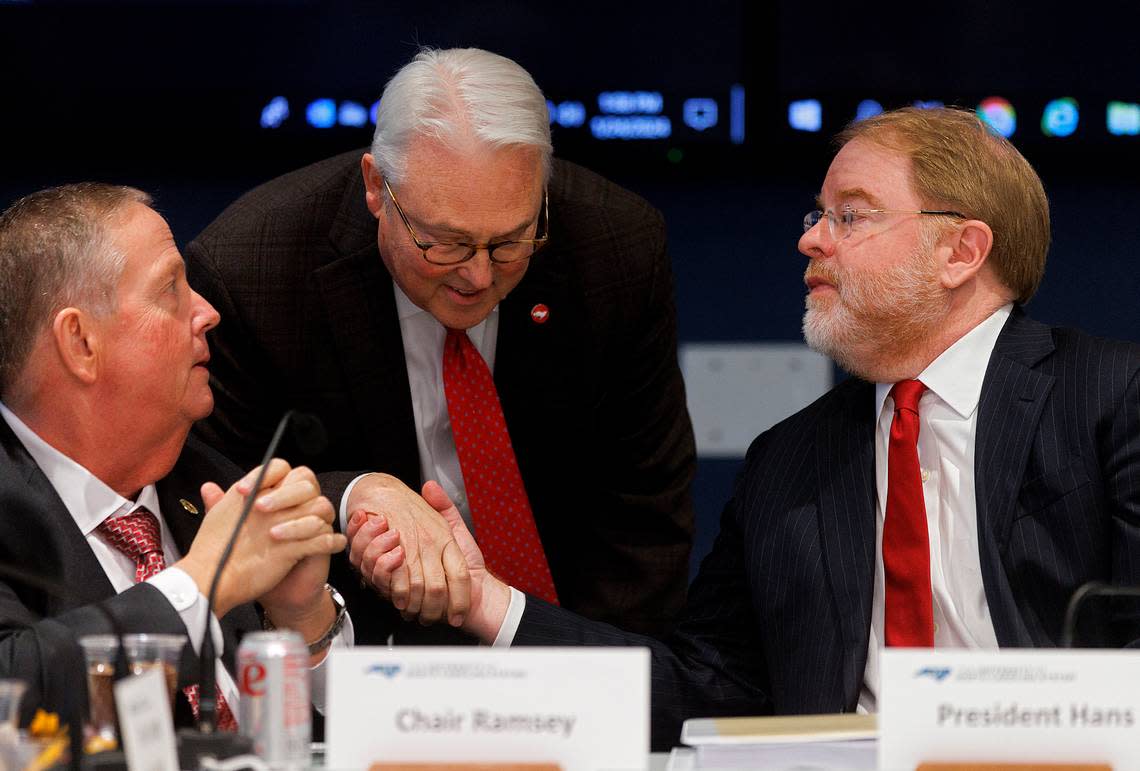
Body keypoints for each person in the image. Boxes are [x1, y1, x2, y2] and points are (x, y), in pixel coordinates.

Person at [347, 106, 1140, 749]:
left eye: (849, 216)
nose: (809, 238)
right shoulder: (787, 464)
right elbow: (698, 691)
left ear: (961, 251)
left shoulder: (1110, 400)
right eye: (816, 214)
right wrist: (486, 600)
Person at [185, 47, 695, 641]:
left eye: (509, 240)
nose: (479, 276)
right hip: (354, 655)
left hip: (568, 634)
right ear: (376, 188)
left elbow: (644, 515)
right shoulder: (253, 269)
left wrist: (599, 685)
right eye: (445, 243)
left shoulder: (616, 248)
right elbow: (214, 493)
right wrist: (348, 493)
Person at [0, 183, 349, 730]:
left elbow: (343, 742)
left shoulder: (212, 483)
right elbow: (13, 685)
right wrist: (204, 581)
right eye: (171, 289)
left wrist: (302, 619)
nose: (208, 313)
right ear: (81, 343)